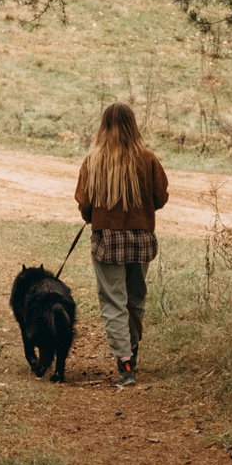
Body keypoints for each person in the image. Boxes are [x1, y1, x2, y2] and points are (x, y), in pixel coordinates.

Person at [74, 100, 168, 389]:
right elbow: (160, 198)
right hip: (141, 238)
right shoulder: (148, 159)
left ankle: (124, 362)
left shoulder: (94, 160)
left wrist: (98, 216)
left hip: (108, 241)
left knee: (114, 301)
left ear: (104, 125)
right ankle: (133, 350)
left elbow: (84, 204)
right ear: (133, 125)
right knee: (135, 297)